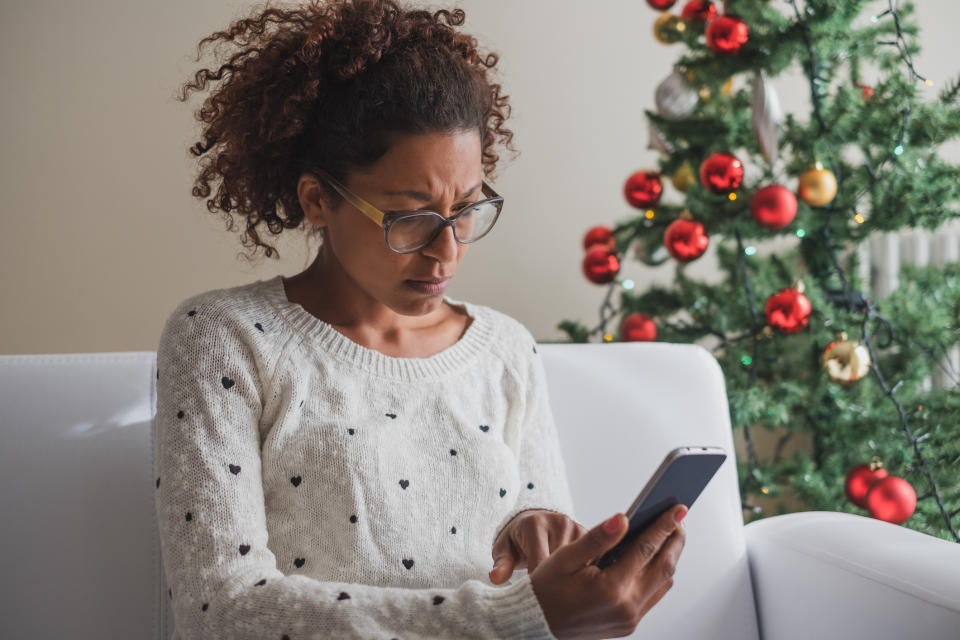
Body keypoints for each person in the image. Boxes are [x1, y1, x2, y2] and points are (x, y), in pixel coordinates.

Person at [153, 1, 687, 638]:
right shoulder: (224, 340)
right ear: (318, 200)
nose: (449, 249)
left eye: (466, 209)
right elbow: (222, 610)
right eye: (411, 215)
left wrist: (535, 534)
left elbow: (533, 573)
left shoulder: (504, 350)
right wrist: (514, 616)